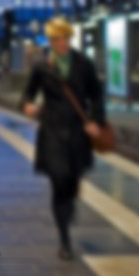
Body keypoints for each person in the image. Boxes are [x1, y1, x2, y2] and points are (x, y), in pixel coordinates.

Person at [21, 17, 104, 261]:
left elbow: (96, 96)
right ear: (51, 41)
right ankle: (65, 239)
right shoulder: (43, 66)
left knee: (72, 183)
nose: (62, 43)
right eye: (57, 39)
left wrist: (95, 122)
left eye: (66, 38)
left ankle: (67, 209)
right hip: (52, 131)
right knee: (59, 182)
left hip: (78, 133)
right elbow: (29, 92)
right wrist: (28, 105)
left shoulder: (83, 64)